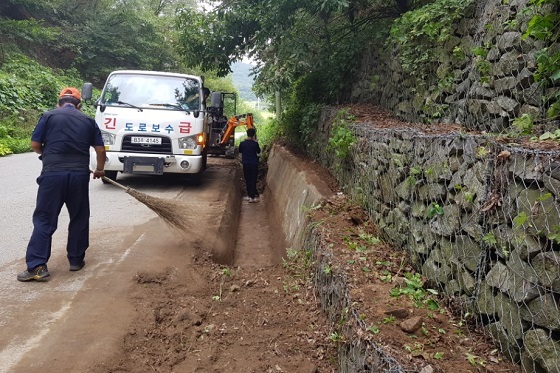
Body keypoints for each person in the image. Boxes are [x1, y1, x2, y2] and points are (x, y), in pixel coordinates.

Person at [17, 87, 106, 282]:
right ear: (79, 106)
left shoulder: (48, 116)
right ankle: (75, 260)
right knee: (79, 216)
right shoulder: (88, 121)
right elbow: (100, 149)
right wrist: (100, 169)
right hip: (79, 176)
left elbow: (34, 144)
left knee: (44, 220)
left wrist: (47, 155)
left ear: (59, 103)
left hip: (52, 175)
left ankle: (37, 267)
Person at [238, 127, 261, 203]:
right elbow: (258, 151)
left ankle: (249, 195)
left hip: (245, 163)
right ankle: (252, 197)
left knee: (247, 179)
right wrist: (256, 142)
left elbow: (240, 151)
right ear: (253, 135)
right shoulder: (255, 144)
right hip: (254, 164)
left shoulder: (242, 143)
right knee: (253, 179)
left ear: (247, 134)